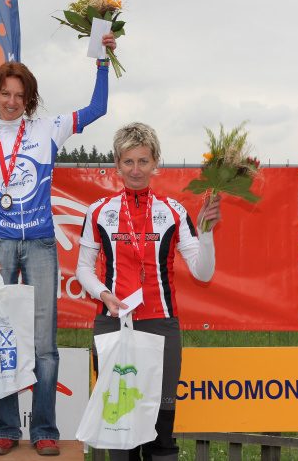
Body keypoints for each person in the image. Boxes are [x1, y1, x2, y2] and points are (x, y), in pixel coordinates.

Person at [0, 33, 117, 456]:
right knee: (0, 338)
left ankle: (45, 429)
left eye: (20, 95)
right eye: (5, 93)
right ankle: (6, 429)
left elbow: (98, 108)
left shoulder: (48, 129)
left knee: (44, 344)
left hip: (40, 245)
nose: (12, 101)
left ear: (29, 99)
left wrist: (102, 60)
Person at [75, 122, 221, 461]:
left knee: (161, 430)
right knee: (119, 428)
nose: (136, 170)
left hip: (161, 326)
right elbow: (83, 268)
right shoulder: (99, 211)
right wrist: (103, 295)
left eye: (143, 161)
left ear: (156, 162)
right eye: (128, 161)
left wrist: (206, 233)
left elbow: (203, 272)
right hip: (113, 323)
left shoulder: (173, 211)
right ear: (117, 164)